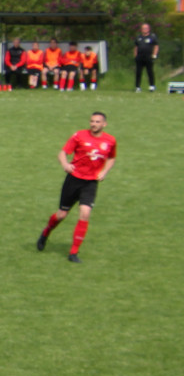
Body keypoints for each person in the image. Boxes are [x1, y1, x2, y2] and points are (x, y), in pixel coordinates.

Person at [36, 112, 117, 263]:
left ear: (104, 124)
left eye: (97, 122)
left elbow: (112, 157)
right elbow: (62, 153)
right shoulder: (79, 135)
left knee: (85, 213)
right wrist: (65, 164)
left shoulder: (110, 140)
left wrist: (105, 171)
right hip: (73, 180)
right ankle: (46, 232)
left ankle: (73, 253)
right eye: (92, 121)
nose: (93, 124)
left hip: (91, 182)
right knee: (62, 215)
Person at [134, 23, 159, 92]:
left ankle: (152, 86)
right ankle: (137, 87)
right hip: (140, 57)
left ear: (148, 29)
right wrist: (135, 56)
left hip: (148, 57)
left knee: (150, 71)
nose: (144, 29)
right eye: (143, 28)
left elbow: (156, 46)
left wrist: (154, 55)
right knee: (138, 72)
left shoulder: (152, 37)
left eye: (146, 28)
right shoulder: (138, 37)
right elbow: (136, 47)